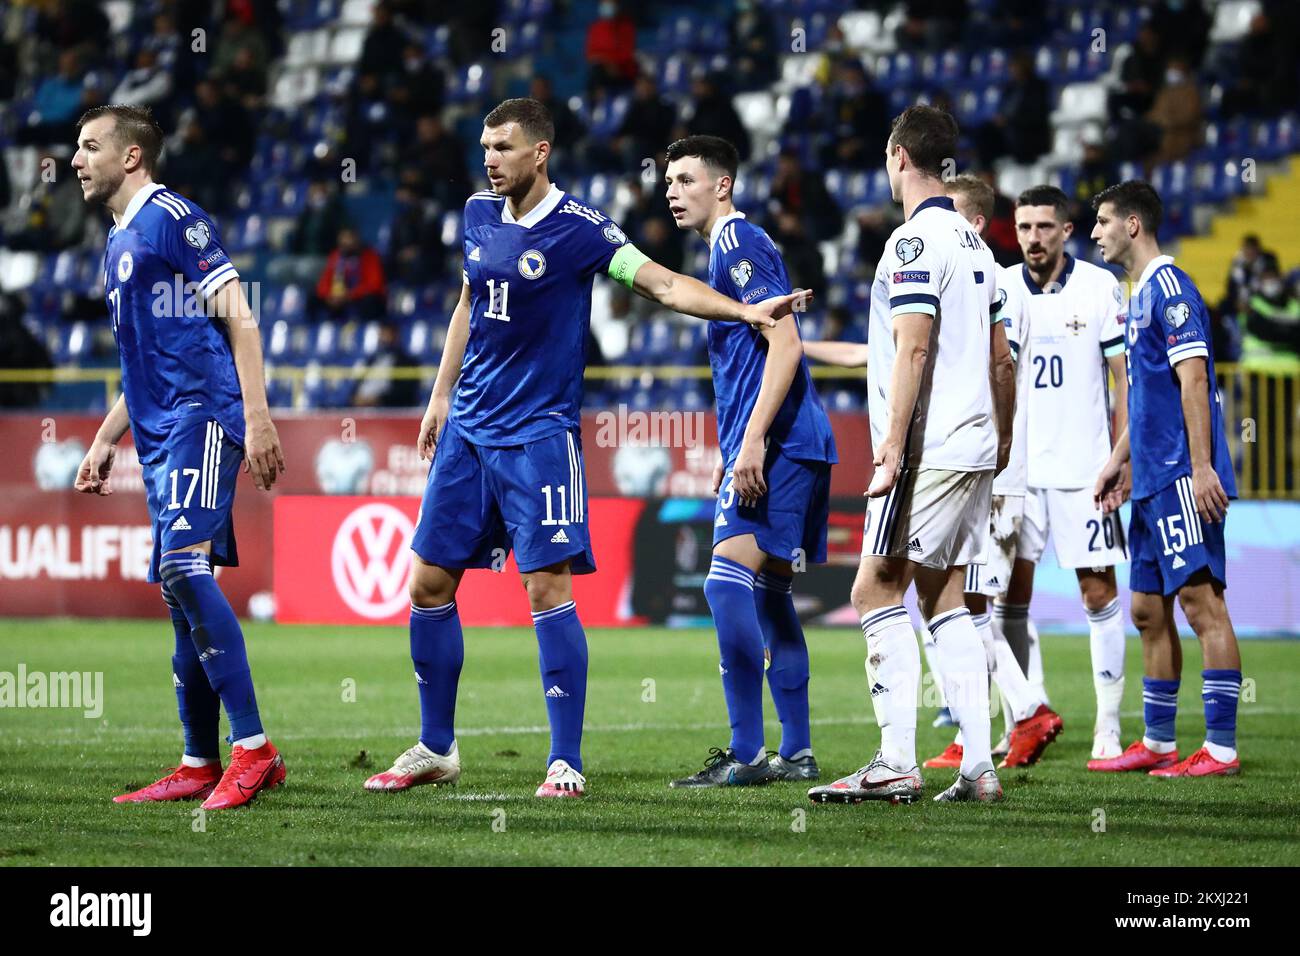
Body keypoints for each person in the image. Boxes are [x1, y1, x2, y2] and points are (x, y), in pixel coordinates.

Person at [361, 98, 806, 800]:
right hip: (470, 430)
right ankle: (436, 747)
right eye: (485, 146)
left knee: (546, 587)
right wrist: (441, 395)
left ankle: (564, 760)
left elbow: (661, 282)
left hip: (538, 436)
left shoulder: (580, 229)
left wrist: (743, 309)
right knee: (426, 584)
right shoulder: (477, 214)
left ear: (540, 151)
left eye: (503, 147)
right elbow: (468, 304)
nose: (489, 159)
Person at [71, 105, 286, 810]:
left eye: (89, 146)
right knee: (178, 592)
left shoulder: (172, 217)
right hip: (160, 431)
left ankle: (253, 751)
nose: (76, 160)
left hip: (205, 416)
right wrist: (107, 437)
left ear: (131, 157)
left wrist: (257, 418)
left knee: (181, 567)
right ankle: (198, 760)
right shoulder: (117, 244)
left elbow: (240, 317)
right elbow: (144, 363)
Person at [806, 106, 1015, 805]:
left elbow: (914, 345)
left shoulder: (913, 241)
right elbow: (999, 357)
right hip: (976, 442)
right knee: (945, 593)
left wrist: (890, 447)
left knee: (874, 589)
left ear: (898, 157)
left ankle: (896, 760)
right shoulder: (978, 245)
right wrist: (1003, 437)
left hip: (929, 446)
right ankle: (979, 766)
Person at [662, 135, 837, 788]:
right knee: (769, 595)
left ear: (722, 185)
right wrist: (737, 441)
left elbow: (785, 344)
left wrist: (754, 440)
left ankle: (748, 752)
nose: (672, 191)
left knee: (723, 581)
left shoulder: (736, 244)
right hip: (796, 438)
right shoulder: (732, 249)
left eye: (685, 179)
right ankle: (796, 752)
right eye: (669, 181)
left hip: (784, 439)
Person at [1091, 181, 1243, 777]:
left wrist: (1203, 467)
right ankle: (1157, 742)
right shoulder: (1140, 297)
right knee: (1148, 610)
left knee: (1202, 602)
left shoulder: (1172, 290)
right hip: (1151, 477)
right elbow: (1152, 398)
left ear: (1133, 224)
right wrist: (1117, 460)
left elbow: (1194, 381)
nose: (1096, 232)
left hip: (1183, 472)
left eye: (1103, 221)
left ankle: (1222, 749)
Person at [998, 185, 1132, 763]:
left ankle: (1108, 727)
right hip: (1019, 474)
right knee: (1007, 598)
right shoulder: (1002, 286)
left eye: (1045, 227)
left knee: (1098, 592)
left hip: (1085, 470)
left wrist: (1118, 460)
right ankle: (1027, 713)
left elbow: (1123, 380)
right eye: (1025, 227)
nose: (1033, 238)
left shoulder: (1100, 286)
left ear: (1067, 231)